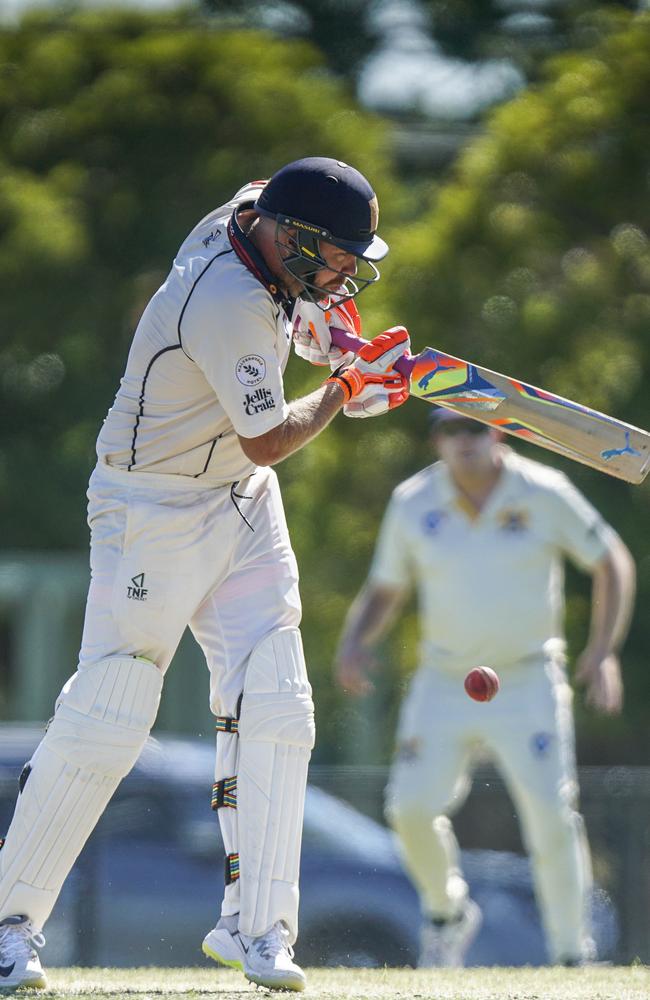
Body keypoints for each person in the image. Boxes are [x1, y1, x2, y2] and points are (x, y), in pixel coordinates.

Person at [0, 157, 412, 993]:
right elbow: (269, 437)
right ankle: (9, 927)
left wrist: (337, 340)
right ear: (289, 240)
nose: (342, 273)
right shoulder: (221, 299)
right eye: (332, 257)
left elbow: (294, 337)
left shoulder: (261, 220)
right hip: (150, 506)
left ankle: (257, 932)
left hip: (240, 498)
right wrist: (345, 387)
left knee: (278, 700)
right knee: (112, 708)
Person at [335, 408, 635, 968]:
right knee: (409, 809)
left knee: (551, 813)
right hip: (444, 679)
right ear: (437, 440)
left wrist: (603, 651)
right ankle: (447, 914)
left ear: (496, 431)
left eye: (473, 427)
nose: (463, 441)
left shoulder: (544, 490)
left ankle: (573, 953)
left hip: (526, 678)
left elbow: (611, 560)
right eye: (450, 430)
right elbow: (384, 587)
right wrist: (354, 641)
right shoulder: (413, 502)